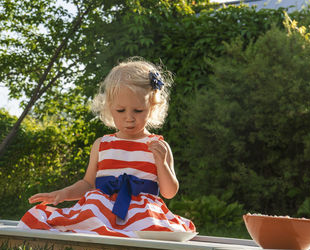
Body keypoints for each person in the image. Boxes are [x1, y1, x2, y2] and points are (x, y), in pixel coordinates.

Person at [18, 57, 196, 237]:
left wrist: (162, 164)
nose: (129, 118)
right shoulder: (102, 145)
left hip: (143, 213)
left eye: (138, 110)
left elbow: (169, 192)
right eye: (121, 110)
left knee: (154, 230)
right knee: (82, 219)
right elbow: (88, 184)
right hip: (101, 208)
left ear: (151, 108)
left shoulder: (157, 146)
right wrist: (62, 194)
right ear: (109, 108)